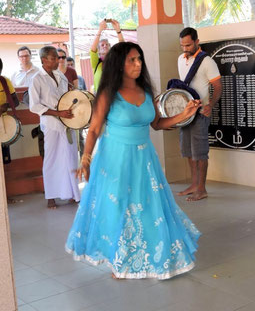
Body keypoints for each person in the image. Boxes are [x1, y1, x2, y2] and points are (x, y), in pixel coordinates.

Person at [66, 41, 201, 279]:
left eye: (139, 59)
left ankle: (151, 255)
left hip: (144, 158)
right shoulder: (109, 93)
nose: (138, 64)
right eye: (132, 60)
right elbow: (95, 129)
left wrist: (184, 114)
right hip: (115, 159)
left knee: (147, 206)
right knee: (119, 207)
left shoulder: (147, 92)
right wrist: (85, 159)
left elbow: (157, 124)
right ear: (119, 64)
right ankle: (119, 260)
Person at [29, 47, 80, 209]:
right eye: (53, 58)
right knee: (52, 159)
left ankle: (72, 193)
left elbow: (67, 95)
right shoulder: (37, 79)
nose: (58, 61)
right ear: (44, 60)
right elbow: (34, 106)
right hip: (51, 124)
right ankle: (50, 196)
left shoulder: (61, 76)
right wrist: (58, 113)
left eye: (58, 58)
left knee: (70, 157)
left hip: (67, 122)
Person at [177, 27, 222, 201]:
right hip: (186, 113)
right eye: (182, 45)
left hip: (201, 113)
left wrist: (211, 104)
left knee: (200, 152)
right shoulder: (180, 59)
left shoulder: (207, 62)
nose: (185, 49)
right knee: (187, 150)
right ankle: (195, 184)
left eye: (188, 45)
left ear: (197, 41)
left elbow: (218, 86)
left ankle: (202, 189)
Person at [1, 58, 20, 203]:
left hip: (5, 128)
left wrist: (6, 105)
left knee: (4, 164)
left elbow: (16, 101)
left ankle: (4, 197)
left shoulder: (5, 81)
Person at [90, 19, 124, 92]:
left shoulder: (115, 61)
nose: (105, 46)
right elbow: (92, 50)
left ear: (110, 47)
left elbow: (123, 47)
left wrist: (118, 30)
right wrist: (100, 30)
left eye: (107, 44)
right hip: (99, 95)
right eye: (102, 45)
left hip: (114, 94)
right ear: (98, 50)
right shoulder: (96, 62)